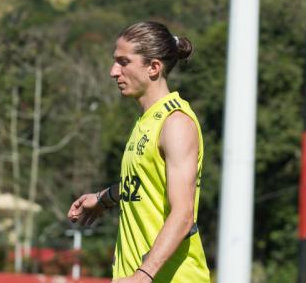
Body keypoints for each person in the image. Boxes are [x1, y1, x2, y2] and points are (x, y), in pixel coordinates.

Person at [67, 21, 210, 283]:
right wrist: (103, 198)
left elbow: (184, 214)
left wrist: (143, 275)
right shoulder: (146, 121)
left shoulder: (175, 122)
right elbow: (144, 183)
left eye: (124, 62)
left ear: (153, 67)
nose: (113, 71)